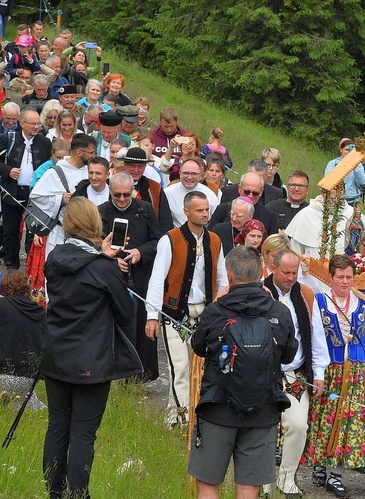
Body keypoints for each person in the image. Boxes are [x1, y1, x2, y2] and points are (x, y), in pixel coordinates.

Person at [40, 197, 141, 499]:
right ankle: (78, 494)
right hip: (91, 361)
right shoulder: (104, 268)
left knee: (57, 427)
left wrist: (101, 255)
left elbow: (77, 263)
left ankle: (55, 492)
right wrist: (112, 267)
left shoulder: (54, 258)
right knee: (83, 433)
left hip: (56, 354)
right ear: (96, 224)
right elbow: (125, 313)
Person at [188, 245, 298, 499]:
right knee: (249, 488)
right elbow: (289, 355)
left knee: (207, 483)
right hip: (264, 410)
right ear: (262, 272)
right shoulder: (279, 311)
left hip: (217, 408)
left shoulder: (216, 311)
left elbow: (198, 347)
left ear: (228, 274)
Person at [305, 254, 365, 498]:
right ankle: (320, 464)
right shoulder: (320, 301)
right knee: (327, 418)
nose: (344, 282)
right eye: (339, 277)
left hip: (359, 370)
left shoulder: (362, 302)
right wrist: (318, 372)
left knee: (350, 421)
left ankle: (336, 475)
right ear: (330, 278)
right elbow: (316, 340)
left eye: (348, 277)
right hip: (332, 368)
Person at [145, 190, 228, 427]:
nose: (205, 214)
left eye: (207, 210)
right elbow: (156, 279)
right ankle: (180, 419)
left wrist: (223, 310)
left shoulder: (215, 240)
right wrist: (152, 316)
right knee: (179, 368)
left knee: (199, 368)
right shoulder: (169, 239)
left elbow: (222, 280)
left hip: (205, 314)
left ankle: (191, 415)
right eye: (199, 210)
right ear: (186, 212)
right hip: (174, 314)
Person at [263, 249, 329, 497]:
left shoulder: (306, 295)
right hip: (263, 373)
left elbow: (316, 336)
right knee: (264, 427)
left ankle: (286, 478)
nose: (291, 277)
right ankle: (263, 480)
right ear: (272, 268)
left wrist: (319, 373)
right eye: (286, 272)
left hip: (295, 374)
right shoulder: (260, 291)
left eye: (295, 273)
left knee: (299, 425)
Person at [99, 172, 162, 381]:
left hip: (140, 275)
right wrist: (109, 258)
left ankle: (141, 373)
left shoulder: (144, 210)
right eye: (117, 195)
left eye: (127, 195)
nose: (122, 199)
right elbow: (91, 245)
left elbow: (158, 241)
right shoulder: (100, 212)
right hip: (110, 278)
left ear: (133, 192)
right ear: (110, 192)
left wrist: (140, 253)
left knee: (140, 322)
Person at [0, 108, 53, 269]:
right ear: (22, 123)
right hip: (12, 192)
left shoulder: (45, 142)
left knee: (34, 231)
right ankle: (12, 265)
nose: (36, 126)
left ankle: (32, 266)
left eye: (38, 123)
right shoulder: (8, 138)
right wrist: (8, 171)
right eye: (33, 123)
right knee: (10, 230)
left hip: (35, 194)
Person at [0, 270, 45, 409]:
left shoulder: (1, 305)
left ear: (4, 287)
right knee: (19, 399)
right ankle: (15, 400)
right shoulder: (40, 312)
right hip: (28, 379)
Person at [29, 133, 97, 256]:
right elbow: (36, 198)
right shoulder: (55, 173)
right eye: (91, 152)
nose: (94, 156)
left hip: (88, 234)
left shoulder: (92, 172)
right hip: (60, 233)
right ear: (79, 153)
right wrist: (60, 200)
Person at [120, 146, 173, 231]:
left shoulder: (155, 187)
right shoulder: (114, 185)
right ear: (124, 166)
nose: (136, 170)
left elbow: (165, 220)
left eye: (140, 166)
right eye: (132, 166)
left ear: (145, 167)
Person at [210, 171, 280, 235]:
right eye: (246, 192)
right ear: (240, 189)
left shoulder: (269, 216)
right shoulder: (223, 209)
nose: (250, 196)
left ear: (261, 192)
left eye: (255, 193)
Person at [163, 157, 218, 227]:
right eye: (186, 173)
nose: (189, 177)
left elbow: (215, 221)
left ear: (200, 175)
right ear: (180, 173)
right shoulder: (167, 193)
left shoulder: (210, 195)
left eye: (194, 174)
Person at [324, 138, 365, 205]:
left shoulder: (358, 164)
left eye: (350, 150)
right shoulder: (332, 163)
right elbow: (328, 180)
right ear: (341, 150)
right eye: (346, 150)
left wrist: (356, 167)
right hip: (337, 200)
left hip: (354, 201)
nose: (348, 152)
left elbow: (362, 181)